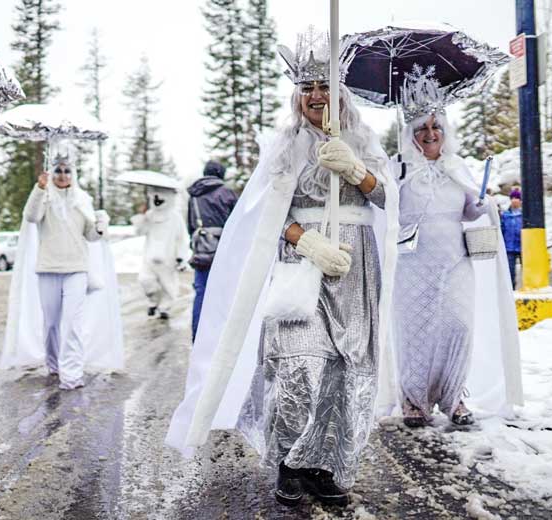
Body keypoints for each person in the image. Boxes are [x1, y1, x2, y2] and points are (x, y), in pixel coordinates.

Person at [167, 34, 400, 508]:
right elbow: (262, 214)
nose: (316, 95)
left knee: (343, 371)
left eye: (324, 85)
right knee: (300, 367)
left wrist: (357, 171)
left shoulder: (364, 141)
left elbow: (388, 199)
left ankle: (323, 466)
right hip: (301, 267)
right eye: (307, 87)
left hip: (355, 268)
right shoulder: (286, 145)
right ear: (298, 96)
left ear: (341, 92)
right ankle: (289, 463)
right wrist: (305, 240)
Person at [391, 69, 523, 431]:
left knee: (458, 326)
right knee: (416, 331)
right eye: (422, 128)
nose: (430, 134)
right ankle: (414, 401)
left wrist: (483, 206)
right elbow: (385, 213)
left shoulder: (457, 166)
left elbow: (470, 209)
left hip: (455, 261)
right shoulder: (398, 169)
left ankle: (453, 397)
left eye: (436, 127)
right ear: (410, 133)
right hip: (412, 263)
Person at [1, 149, 124, 388]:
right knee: (51, 323)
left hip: (77, 269)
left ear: (73, 174)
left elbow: (90, 236)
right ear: (52, 172)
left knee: (73, 323)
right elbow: (31, 217)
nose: (63, 175)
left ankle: (72, 374)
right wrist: (40, 188)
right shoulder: (44, 197)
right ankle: (54, 364)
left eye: (67, 171)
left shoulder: (82, 200)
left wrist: (100, 226)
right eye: (58, 170)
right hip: (48, 269)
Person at [186, 161, 238, 340]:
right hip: (225, 250)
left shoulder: (194, 195)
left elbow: (191, 225)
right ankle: (221, 338)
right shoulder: (227, 193)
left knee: (201, 293)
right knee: (225, 293)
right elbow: (237, 223)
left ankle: (198, 337)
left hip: (202, 251)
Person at [132, 186, 191, 320]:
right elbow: (139, 232)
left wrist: (181, 257)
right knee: (145, 280)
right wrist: (141, 217)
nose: (158, 198)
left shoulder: (176, 217)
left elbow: (181, 239)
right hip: (149, 258)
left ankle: (164, 308)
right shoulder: (149, 215)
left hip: (168, 259)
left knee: (168, 286)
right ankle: (153, 302)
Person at [500, 188, 523, 288]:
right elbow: (502, 230)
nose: (515, 200)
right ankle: (512, 290)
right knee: (510, 272)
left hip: (523, 247)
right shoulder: (505, 215)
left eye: (517, 198)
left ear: (521, 200)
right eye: (513, 198)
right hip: (509, 247)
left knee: (527, 271)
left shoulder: (525, 215)